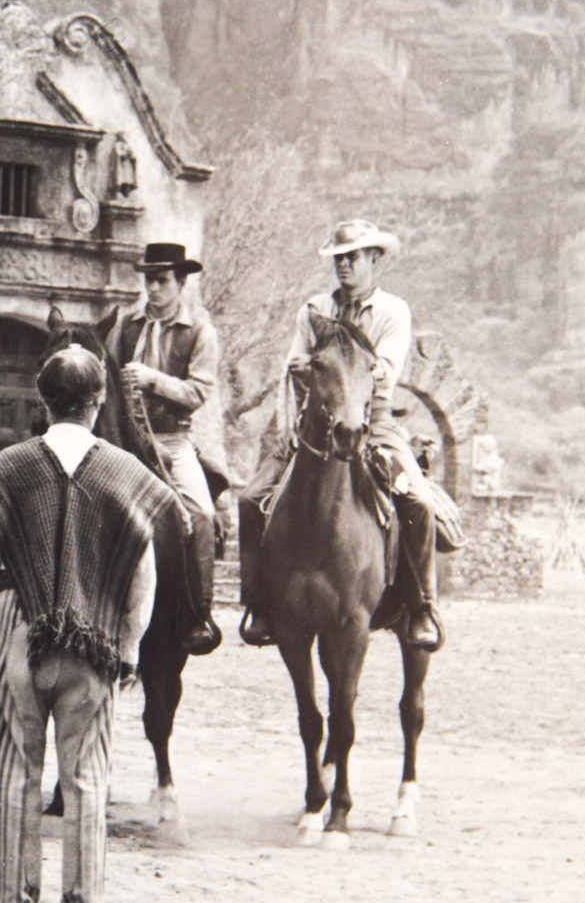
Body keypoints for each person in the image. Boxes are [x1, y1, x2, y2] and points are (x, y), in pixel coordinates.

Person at [0, 346, 175, 903]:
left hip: (14, 633)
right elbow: (142, 576)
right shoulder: (128, 475)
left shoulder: (10, 467)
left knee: (15, 772)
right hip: (94, 642)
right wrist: (128, 647)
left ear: (42, 400)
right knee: (86, 777)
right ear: (99, 403)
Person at [237, 219, 444, 651]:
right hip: (314, 424)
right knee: (251, 498)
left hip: (375, 422)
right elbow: (292, 368)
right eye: (338, 259)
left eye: (352, 258)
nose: (343, 266)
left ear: (374, 260)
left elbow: (381, 371)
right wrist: (287, 423)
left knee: (418, 501)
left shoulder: (393, 312)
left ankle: (420, 605)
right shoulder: (314, 309)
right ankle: (258, 602)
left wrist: (333, 366)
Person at [111, 241, 222, 655]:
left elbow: (198, 392)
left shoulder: (199, 331)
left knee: (201, 512)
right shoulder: (127, 324)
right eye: (148, 281)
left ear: (181, 282)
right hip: (127, 437)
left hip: (172, 439)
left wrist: (153, 381)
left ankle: (199, 613)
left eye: (161, 281)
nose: (152, 289)